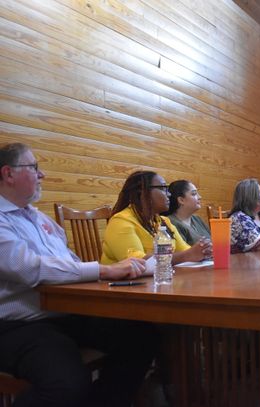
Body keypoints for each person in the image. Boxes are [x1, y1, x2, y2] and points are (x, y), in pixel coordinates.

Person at [0, 143, 156, 407]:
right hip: (17, 325)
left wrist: (109, 274)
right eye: (34, 167)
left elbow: (67, 262)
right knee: (65, 382)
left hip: (63, 313)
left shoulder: (37, 218)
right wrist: (104, 269)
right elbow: (28, 268)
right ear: (8, 174)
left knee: (140, 336)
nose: (42, 175)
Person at [101, 171, 212, 265]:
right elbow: (136, 262)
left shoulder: (163, 221)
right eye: (164, 189)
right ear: (144, 192)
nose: (169, 194)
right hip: (121, 288)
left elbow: (185, 250)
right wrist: (187, 256)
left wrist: (203, 251)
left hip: (157, 282)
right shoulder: (121, 222)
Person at [164, 180, 211, 246]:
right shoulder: (171, 223)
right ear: (181, 200)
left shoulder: (197, 219)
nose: (200, 197)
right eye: (194, 194)